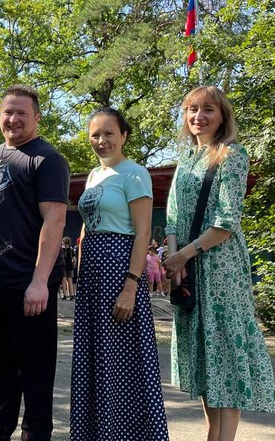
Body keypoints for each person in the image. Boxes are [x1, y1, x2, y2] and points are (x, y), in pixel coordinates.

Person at [162, 85, 275, 441]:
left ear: (222, 115)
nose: (199, 116)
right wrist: (174, 259)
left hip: (220, 268)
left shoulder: (232, 154)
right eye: (192, 109)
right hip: (188, 269)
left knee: (224, 354)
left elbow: (227, 220)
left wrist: (184, 255)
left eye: (208, 109)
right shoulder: (186, 159)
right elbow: (171, 215)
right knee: (205, 358)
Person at [0, 85, 69, 441]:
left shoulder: (46, 159)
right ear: (0, 116)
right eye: (8, 112)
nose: (13, 119)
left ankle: (36, 434)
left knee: (35, 366)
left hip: (31, 282)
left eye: (22, 112)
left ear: (36, 117)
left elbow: (55, 221)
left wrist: (39, 281)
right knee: (1, 362)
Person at [69, 107, 168, 440]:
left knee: (122, 360)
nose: (102, 141)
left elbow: (142, 233)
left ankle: (129, 433)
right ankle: (98, 431)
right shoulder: (94, 175)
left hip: (119, 272)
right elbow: (87, 227)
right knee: (96, 357)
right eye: (95, 135)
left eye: (109, 133)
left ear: (124, 136)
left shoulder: (134, 173)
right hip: (93, 276)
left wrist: (131, 286)